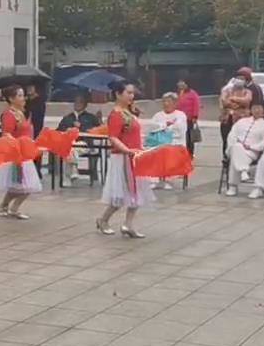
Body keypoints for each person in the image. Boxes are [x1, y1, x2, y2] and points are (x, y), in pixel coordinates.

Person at [97, 80, 154, 239]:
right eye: (128, 93)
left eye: (132, 93)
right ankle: (103, 220)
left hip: (134, 156)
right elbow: (113, 137)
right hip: (123, 157)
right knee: (120, 195)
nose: (131, 95)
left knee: (136, 192)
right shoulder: (116, 114)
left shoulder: (128, 112)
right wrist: (127, 150)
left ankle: (128, 224)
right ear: (118, 94)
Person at [0, 85, 42, 218]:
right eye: (19, 96)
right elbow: (6, 134)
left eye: (22, 95)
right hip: (16, 154)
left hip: (25, 153)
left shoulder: (22, 113)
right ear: (11, 99)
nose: (23, 98)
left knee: (20, 184)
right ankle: (10, 207)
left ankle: (7, 205)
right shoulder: (9, 115)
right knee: (25, 184)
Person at [224, 102, 264, 196]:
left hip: (252, 152)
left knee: (236, 154)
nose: (257, 110)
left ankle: (233, 186)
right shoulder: (242, 121)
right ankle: (243, 170)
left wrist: (251, 147)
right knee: (236, 147)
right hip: (235, 148)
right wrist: (234, 144)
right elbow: (232, 135)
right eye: (254, 108)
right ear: (251, 109)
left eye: (259, 108)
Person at [57, 93, 101, 183]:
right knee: (70, 148)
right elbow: (58, 130)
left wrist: (81, 127)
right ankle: (72, 171)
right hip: (69, 144)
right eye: (76, 102)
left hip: (84, 144)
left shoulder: (91, 118)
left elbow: (98, 130)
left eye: (80, 102)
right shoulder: (68, 118)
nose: (77, 104)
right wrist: (66, 130)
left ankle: (69, 176)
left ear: (85, 105)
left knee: (71, 148)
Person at [147, 92, 188, 190]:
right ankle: (154, 179)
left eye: (169, 101)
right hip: (159, 141)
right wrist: (166, 126)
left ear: (175, 103)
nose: (166, 104)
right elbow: (152, 128)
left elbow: (179, 129)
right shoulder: (158, 115)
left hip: (175, 142)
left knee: (167, 151)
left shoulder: (180, 115)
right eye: (164, 101)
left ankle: (167, 180)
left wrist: (164, 128)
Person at [220, 70, 256, 156]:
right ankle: (226, 160)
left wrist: (233, 99)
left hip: (241, 120)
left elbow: (247, 101)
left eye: (242, 79)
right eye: (238, 78)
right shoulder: (226, 90)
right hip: (227, 119)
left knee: (240, 140)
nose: (240, 80)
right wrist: (239, 103)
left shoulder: (247, 92)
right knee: (226, 140)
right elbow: (224, 101)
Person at [176, 79, 200, 156]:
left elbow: (196, 105)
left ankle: (190, 152)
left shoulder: (192, 93)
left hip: (189, 118)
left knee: (189, 136)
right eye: (179, 83)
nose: (180, 84)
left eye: (182, 83)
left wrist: (195, 116)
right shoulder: (179, 93)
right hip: (179, 118)